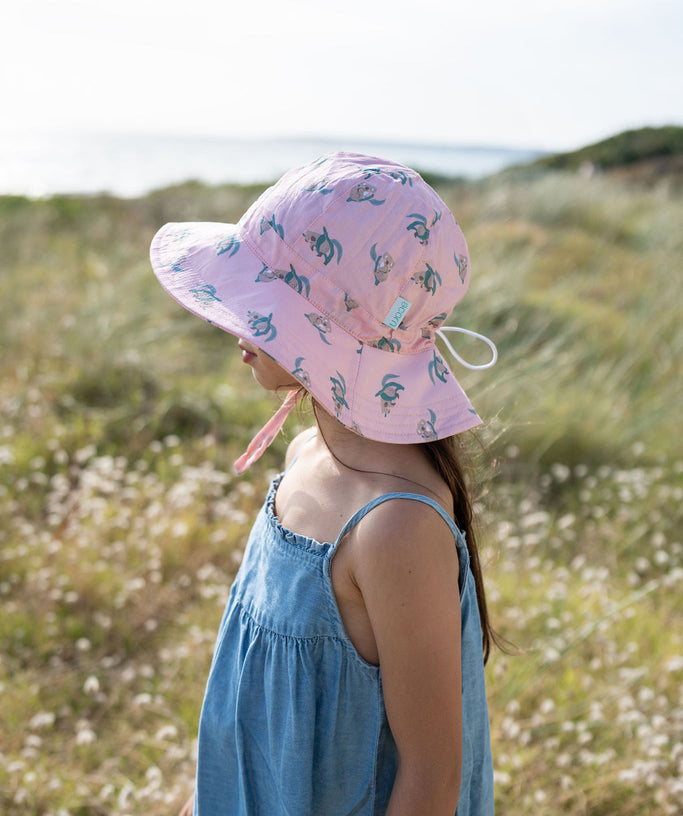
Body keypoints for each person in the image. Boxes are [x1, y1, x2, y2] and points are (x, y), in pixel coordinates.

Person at [150, 152, 497, 816]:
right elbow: (249, 700)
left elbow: (431, 778)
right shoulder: (311, 452)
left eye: (262, 307)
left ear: (333, 336)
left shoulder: (395, 525)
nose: (232, 324)